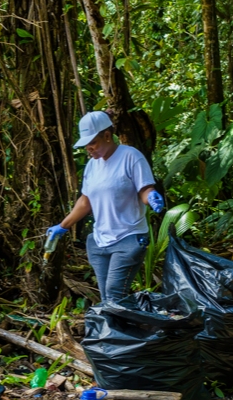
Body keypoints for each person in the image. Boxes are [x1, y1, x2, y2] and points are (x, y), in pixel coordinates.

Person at [47, 111, 165, 302]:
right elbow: (85, 202)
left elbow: (144, 189)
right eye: (86, 145)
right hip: (99, 241)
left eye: (92, 143)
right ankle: (120, 329)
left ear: (107, 136)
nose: (89, 149)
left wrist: (151, 196)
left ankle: (119, 331)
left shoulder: (130, 156)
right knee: (108, 298)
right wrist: (62, 226)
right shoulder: (92, 166)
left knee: (114, 294)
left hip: (129, 237)